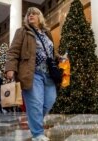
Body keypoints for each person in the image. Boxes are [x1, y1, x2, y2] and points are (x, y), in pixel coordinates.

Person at [5, 7, 62, 141]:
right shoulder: (22, 32)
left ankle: (34, 120)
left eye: (34, 13)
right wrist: (10, 68)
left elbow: (51, 52)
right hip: (32, 73)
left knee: (50, 101)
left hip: (48, 74)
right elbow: (13, 51)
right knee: (35, 103)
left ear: (40, 17)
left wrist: (59, 57)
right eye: (29, 14)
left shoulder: (47, 33)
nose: (31, 15)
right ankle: (37, 134)